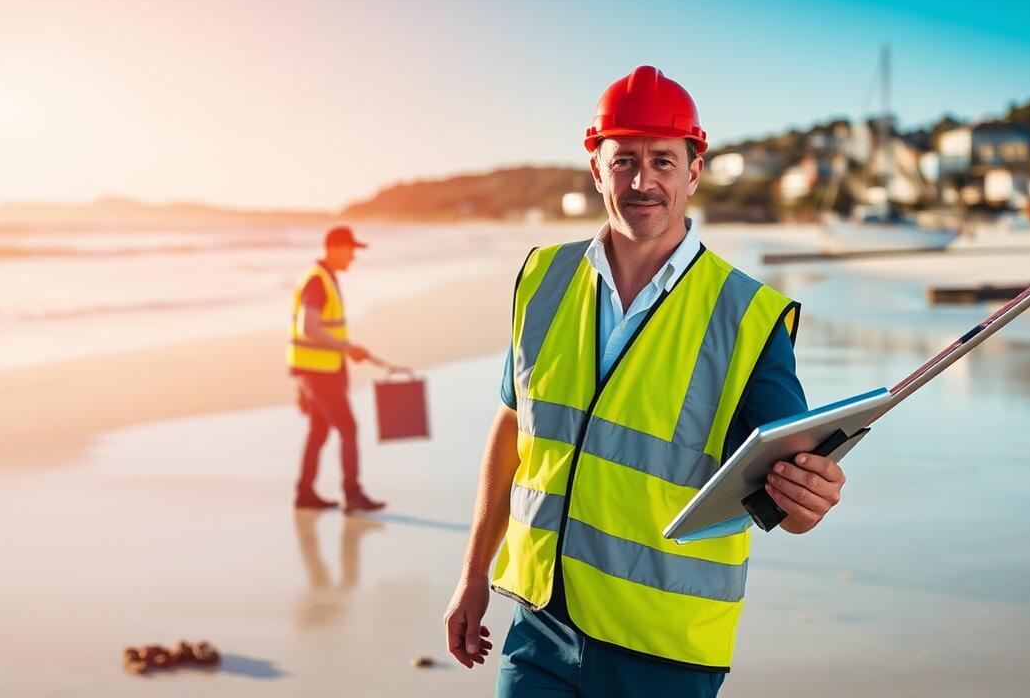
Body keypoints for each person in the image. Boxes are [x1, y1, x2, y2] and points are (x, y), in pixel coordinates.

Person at [442, 66, 847, 697]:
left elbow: (787, 494)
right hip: (540, 626)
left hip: (663, 651)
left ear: (693, 172)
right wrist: (473, 574)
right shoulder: (543, 278)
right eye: (624, 159)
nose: (643, 180)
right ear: (597, 169)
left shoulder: (745, 317)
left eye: (663, 160)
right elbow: (512, 428)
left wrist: (807, 501)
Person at [288, 226, 387, 513]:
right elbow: (309, 326)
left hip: (318, 369)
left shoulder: (324, 277)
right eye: (350, 250)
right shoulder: (317, 281)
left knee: (319, 430)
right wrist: (346, 348)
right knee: (348, 428)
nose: (353, 257)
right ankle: (352, 494)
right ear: (333, 248)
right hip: (320, 372)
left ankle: (305, 492)